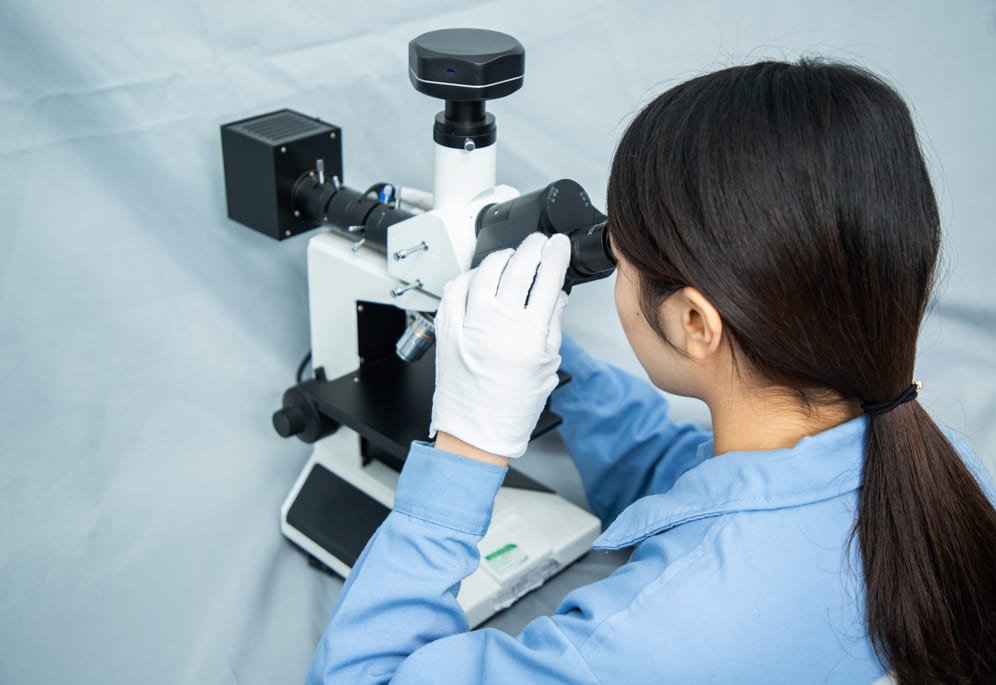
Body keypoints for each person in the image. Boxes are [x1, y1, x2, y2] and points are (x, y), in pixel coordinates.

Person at [307, 60, 996, 684]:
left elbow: (356, 676)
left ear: (695, 322)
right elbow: (685, 476)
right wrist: (530, 354)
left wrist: (468, 446)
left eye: (620, 250)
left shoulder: (642, 641)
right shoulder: (943, 474)